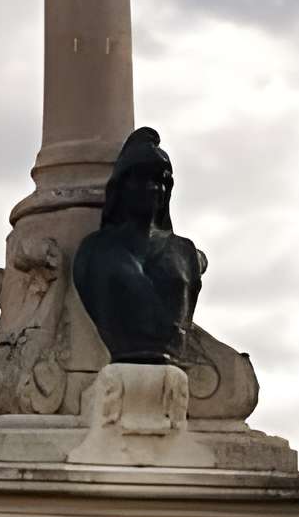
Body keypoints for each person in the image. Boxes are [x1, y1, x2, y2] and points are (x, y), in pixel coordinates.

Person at [72, 127, 204, 367]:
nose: (156, 189)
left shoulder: (184, 252)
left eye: (162, 180)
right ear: (122, 186)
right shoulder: (93, 252)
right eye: (144, 178)